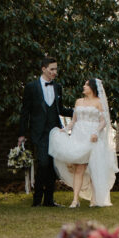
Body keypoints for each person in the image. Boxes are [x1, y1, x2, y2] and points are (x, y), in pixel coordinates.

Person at [49, 77, 118, 207]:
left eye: (86, 85)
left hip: (92, 137)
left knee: (93, 168)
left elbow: (103, 121)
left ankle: (93, 198)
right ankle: (75, 200)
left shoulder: (99, 102)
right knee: (79, 168)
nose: (84, 87)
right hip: (79, 136)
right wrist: (65, 130)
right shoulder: (78, 102)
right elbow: (74, 121)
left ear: (92, 88)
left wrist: (96, 132)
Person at [19, 56, 74, 207]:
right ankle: (37, 200)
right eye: (52, 69)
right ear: (43, 69)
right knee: (43, 163)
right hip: (39, 133)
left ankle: (49, 201)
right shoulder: (31, 87)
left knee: (52, 166)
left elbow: (60, 109)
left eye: (56, 69)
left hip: (55, 132)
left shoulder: (58, 87)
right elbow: (25, 112)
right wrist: (22, 134)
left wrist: (79, 111)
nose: (55, 72)